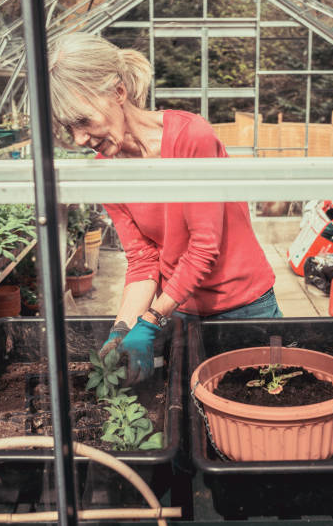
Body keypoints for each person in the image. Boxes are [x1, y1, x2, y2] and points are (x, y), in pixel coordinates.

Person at [49, 32, 282, 384]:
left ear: (118, 92)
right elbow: (143, 259)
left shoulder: (192, 137)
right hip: (182, 311)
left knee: (265, 417)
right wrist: (122, 328)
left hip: (245, 307)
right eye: (70, 127)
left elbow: (205, 246)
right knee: (194, 424)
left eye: (83, 121)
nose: (80, 138)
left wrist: (152, 319)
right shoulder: (107, 168)